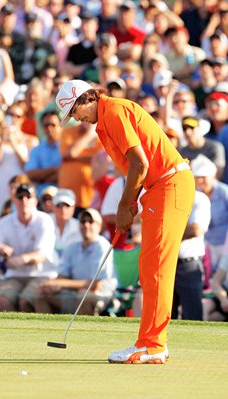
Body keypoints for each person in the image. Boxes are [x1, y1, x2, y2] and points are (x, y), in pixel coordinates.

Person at [55, 79, 195, 364]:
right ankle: (149, 343)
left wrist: (123, 204)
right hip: (159, 189)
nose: (76, 120)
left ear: (86, 98)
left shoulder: (114, 111)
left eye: (74, 112)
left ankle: (153, 346)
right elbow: (137, 168)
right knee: (150, 266)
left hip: (169, 185)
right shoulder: (105, 121)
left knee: (156, 268)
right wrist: (130, 202)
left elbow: (140, 162)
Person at [0, 182, 57, 312]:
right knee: (2, 299)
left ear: (35, 200)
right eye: (20, 197)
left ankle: (34, 332)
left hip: (42, 274)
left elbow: (41, 255)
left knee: (26, 300)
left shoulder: (44, 220)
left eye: (28, 197)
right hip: (14, 276)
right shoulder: (3, 223)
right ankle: (12, 331)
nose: (24, 200)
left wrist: (20, 260)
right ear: (14, 200)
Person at [34, 207, 117, 315]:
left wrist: (61, 283)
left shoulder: (103, 246)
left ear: (99, 226)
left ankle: (84, 331)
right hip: (75, 292)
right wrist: (53, 285)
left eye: (91, 222)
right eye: (83, 221)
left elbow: (95, 285)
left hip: (102, 295)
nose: (86, 225)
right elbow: (63, 276)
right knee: (40, 294)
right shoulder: (72, 246)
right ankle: (48, 330)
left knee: (83, 296)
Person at [171, 190, 211, 321]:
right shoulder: (164, 195)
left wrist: (165, 233)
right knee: (165, 315)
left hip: (188, 264)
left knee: (192, 314)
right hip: (165, 262)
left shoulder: (199, 198)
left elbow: (195, 229)